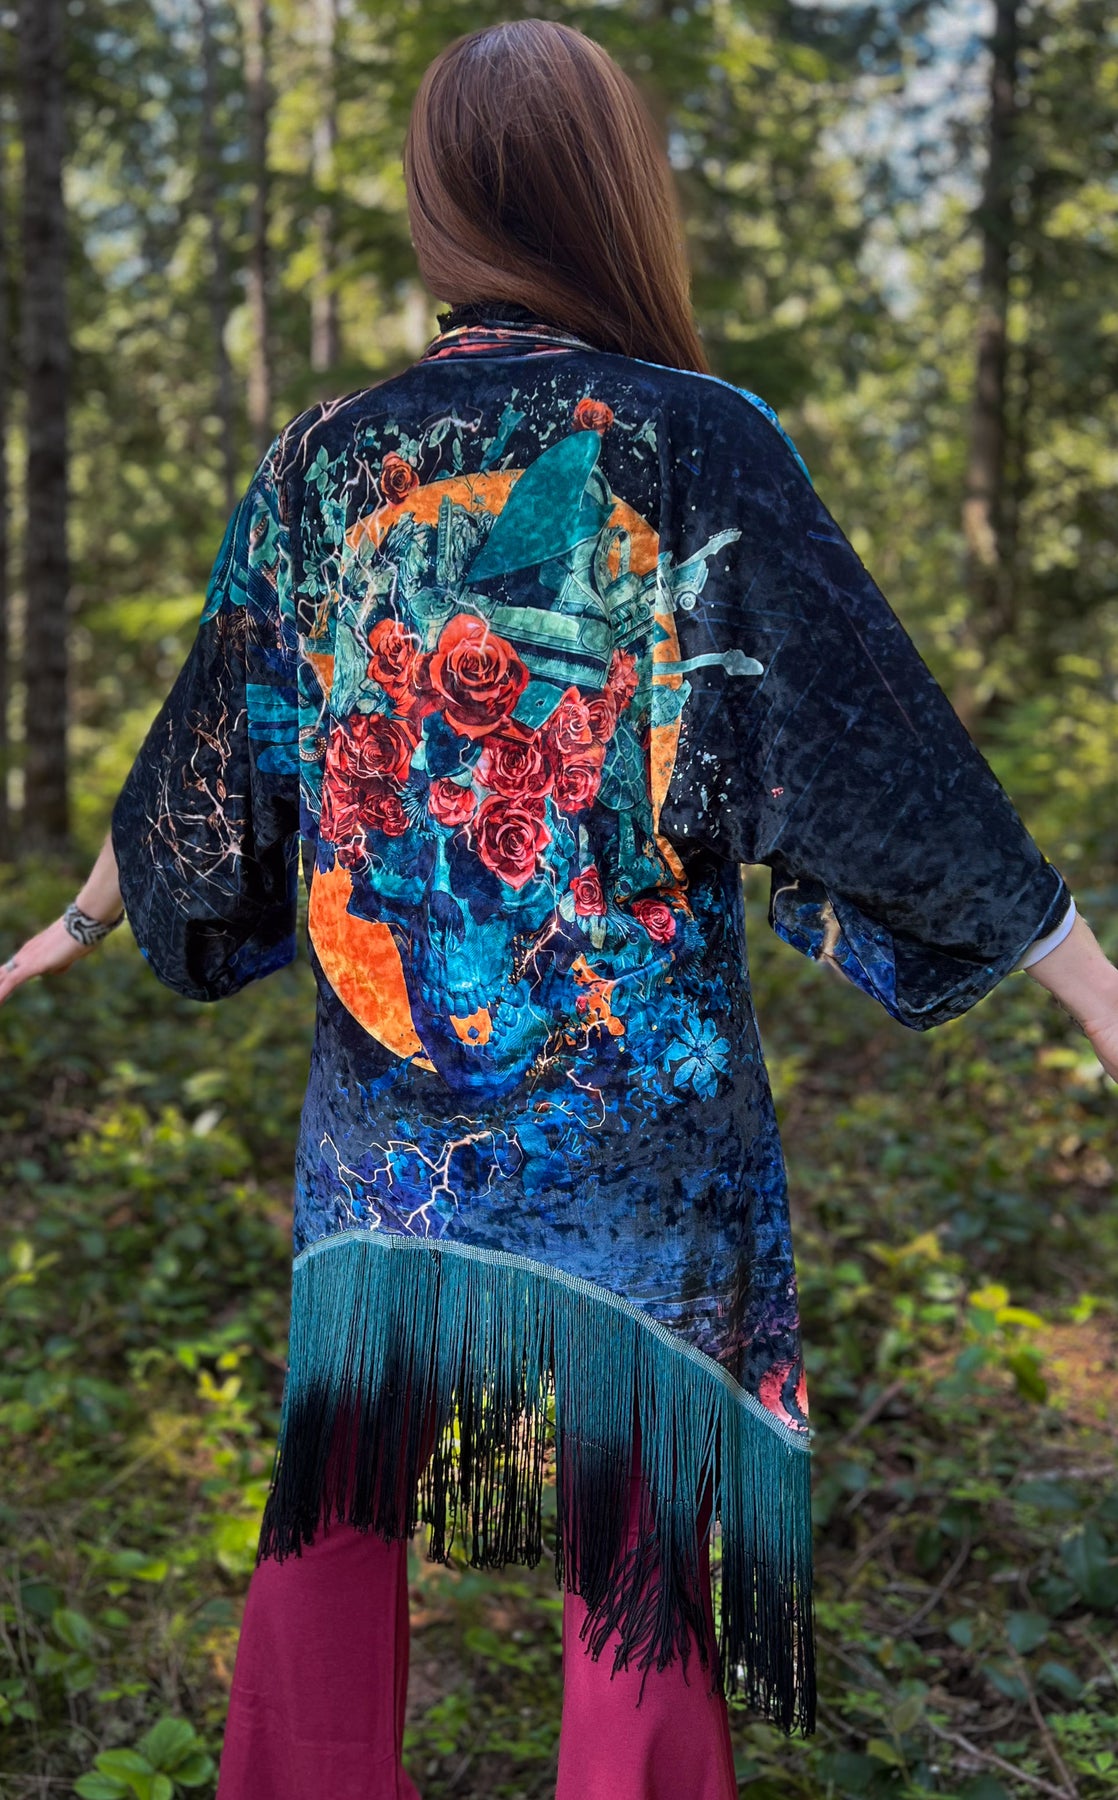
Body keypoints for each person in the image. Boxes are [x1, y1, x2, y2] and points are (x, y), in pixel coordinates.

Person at [3, 17, 1116, 1799]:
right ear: (614, 195)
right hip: (637, 1123)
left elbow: (218, 740)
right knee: (635, 1554)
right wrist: (1095, 990)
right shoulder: (696, 438)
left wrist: (77, 920)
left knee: (335, 1507)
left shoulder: (322, 459)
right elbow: (873, 746)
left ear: (439, 203)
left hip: (389, 1116)